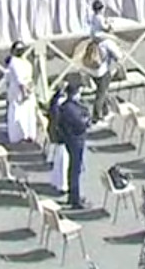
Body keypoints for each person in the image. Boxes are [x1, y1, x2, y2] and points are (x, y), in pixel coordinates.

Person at [55, 81, 91, 210]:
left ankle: (73, 196)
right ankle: (75, 199)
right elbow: (81, 124)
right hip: (75, 140)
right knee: (75, 170)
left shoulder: (65, 106)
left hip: (70, 140)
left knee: (74, 169)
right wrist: (87, 120)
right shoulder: (70, 108)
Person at [4, 41, 39, 144]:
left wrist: (30, 88)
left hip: (27, 91)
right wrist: (25, 92)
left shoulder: (24, 61)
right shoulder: (14, 62)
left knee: (28, 114)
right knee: (18, 114)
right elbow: (19, 79)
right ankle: (18, 137)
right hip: (19, 93)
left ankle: (28, 134)